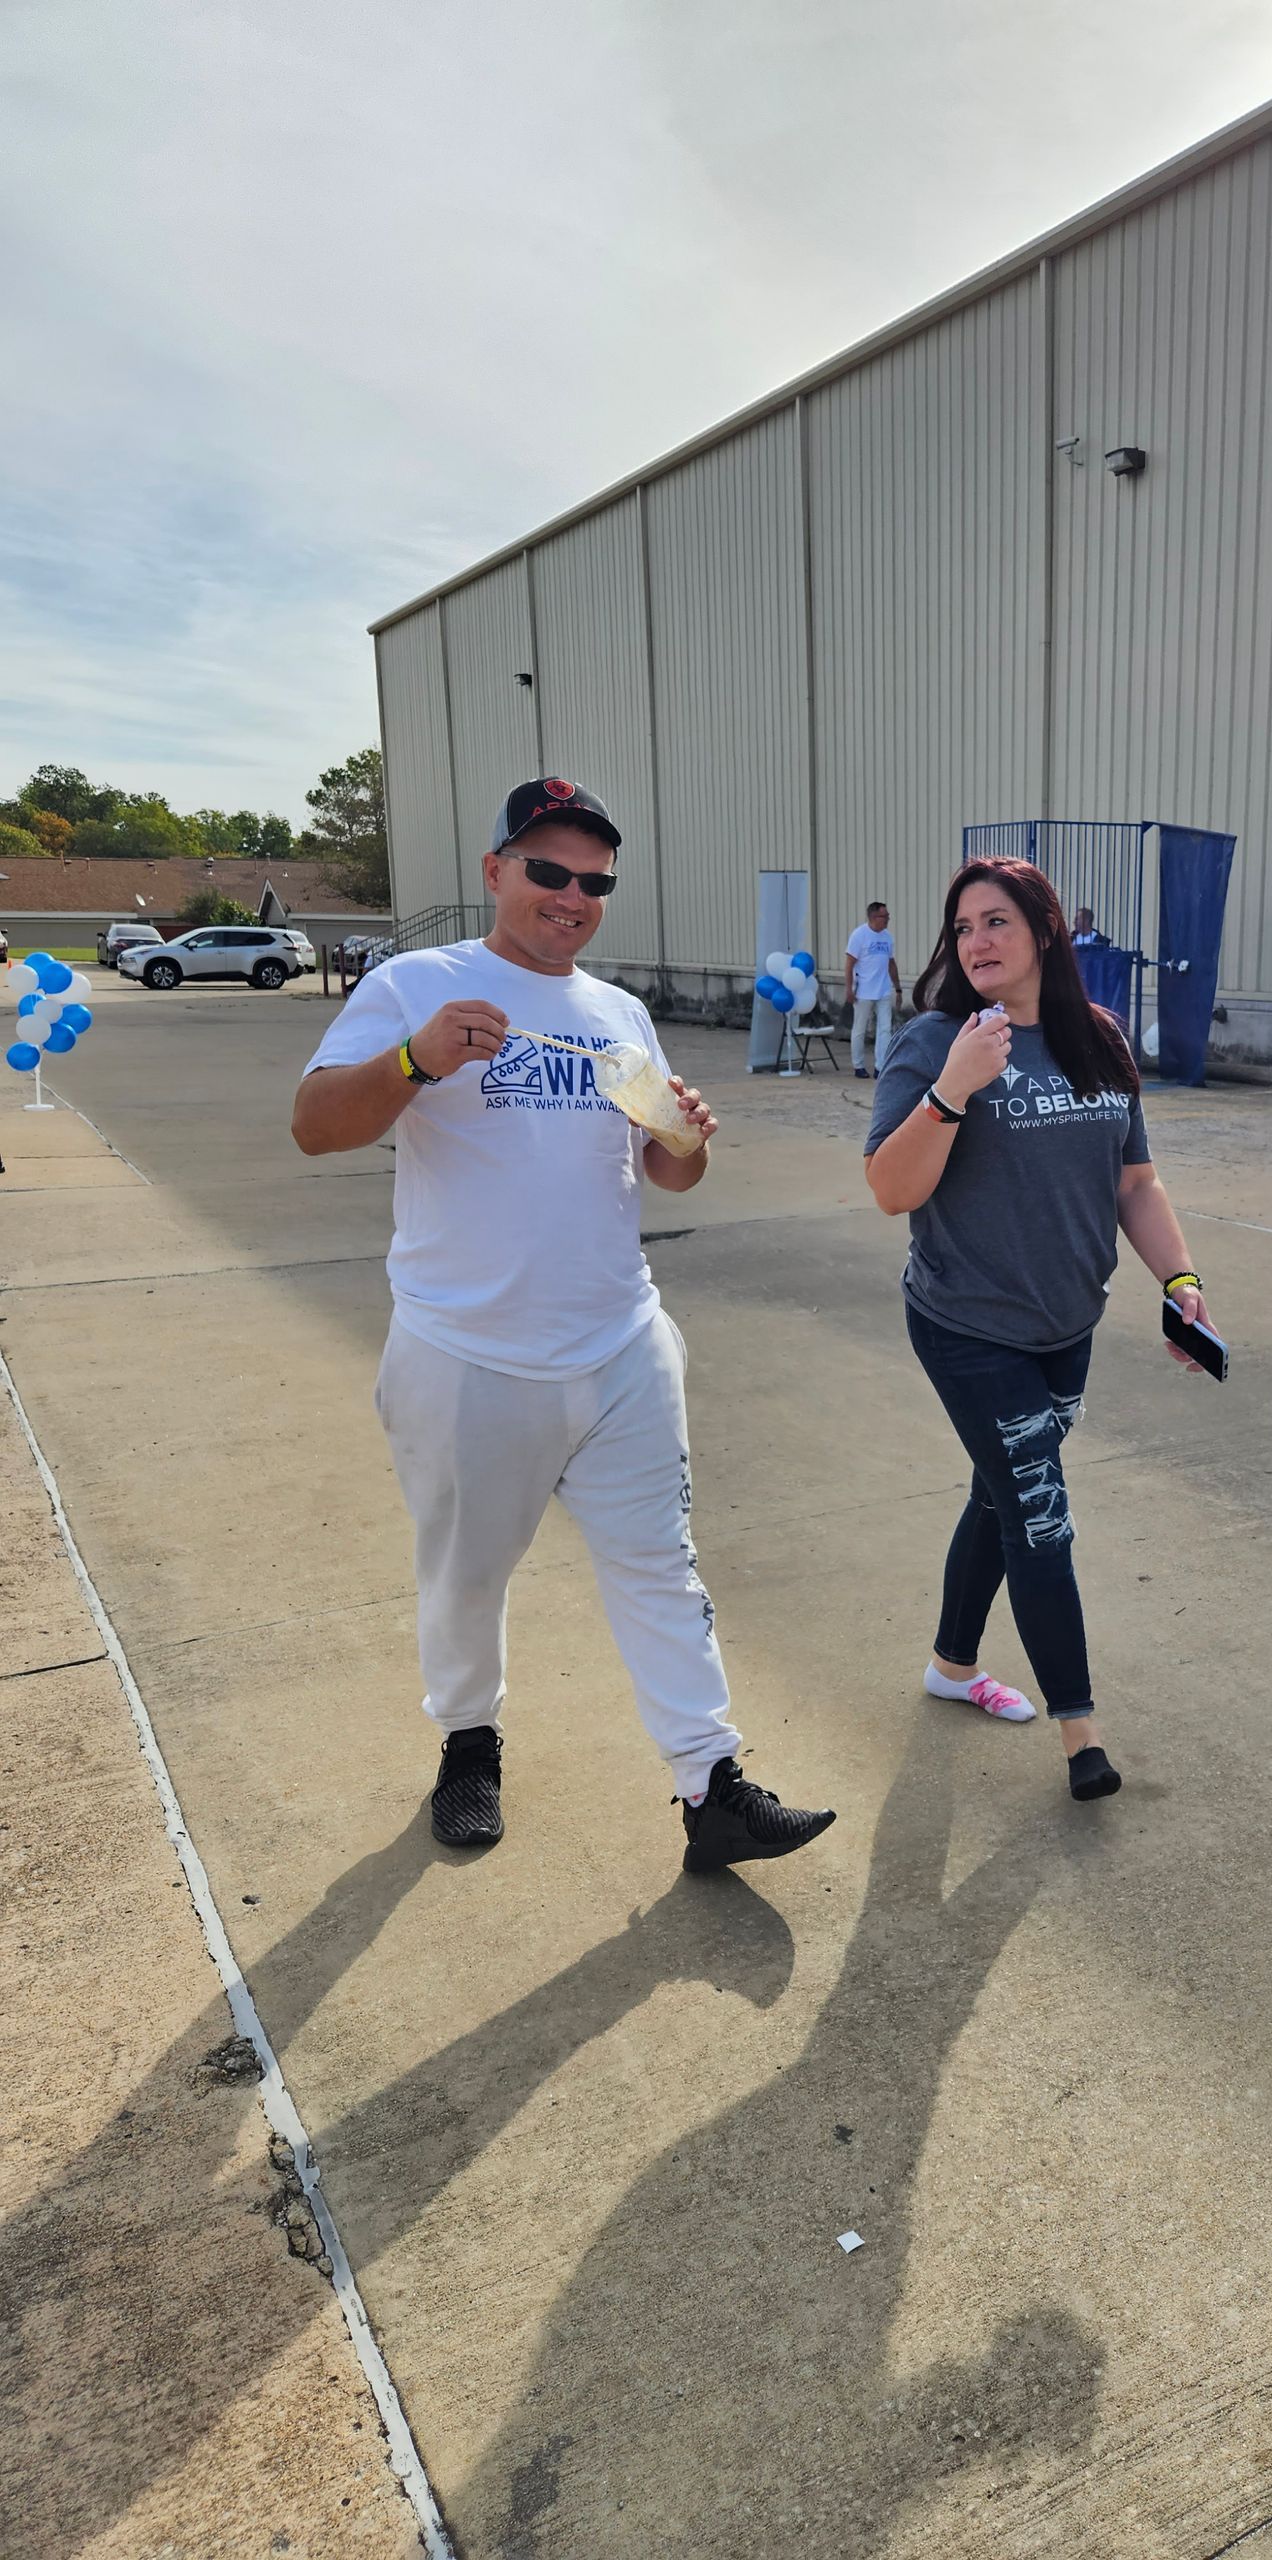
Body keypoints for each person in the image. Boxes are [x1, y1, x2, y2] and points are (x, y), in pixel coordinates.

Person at [291, 775, 834, 1872]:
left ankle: (710, 1782)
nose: (573, 896)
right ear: (496, 871)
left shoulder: (620, 1014)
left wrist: (686, 1140)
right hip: (468, 1353)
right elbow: (314, 1126)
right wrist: (415, 1060)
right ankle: (469, 1744)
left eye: (595, 882)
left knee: (662, 1564)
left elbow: (664, 1173)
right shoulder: (417, 984)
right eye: (549, 871)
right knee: (467, 1573)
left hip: (621, 1342)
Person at [864, 858, 1217, 1803]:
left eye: (997, 922)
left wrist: (1180, 1278)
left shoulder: (1096, 1037)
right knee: (1039, 1514)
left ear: (1046, 930)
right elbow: (891, 1189)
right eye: (963, 926)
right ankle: (1081, 1734)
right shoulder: (936, 1041)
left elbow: (1134, 1182)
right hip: (968, 1324)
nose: (976, 942)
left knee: (1001, 1493)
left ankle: (951, 1665)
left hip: (1068, 1325)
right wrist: (953, 1088)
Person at [845, 899, 902, 1078]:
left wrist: (898, 989)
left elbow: (891, 964)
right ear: (873, 917)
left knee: (885, 1029)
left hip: (883, 990)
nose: (887, 919)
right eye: (884, 916)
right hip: (863, 991)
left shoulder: (887, 937)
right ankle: (858, 1065)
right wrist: (849, 988)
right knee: (860, 1029)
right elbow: (849, 964)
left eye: (888, 916)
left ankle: (880, 1066)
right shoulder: (859, 935)